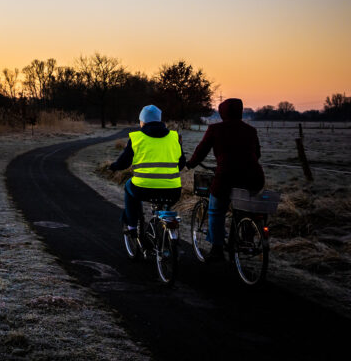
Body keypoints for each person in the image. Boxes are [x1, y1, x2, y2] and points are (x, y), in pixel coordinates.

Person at [186, 98, 264, 261]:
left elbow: (201, 150)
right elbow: (257, 154)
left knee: (215, 210)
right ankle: (246, 238)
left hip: (226, 176)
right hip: (254, 176)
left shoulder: (215, 129)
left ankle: (217, 249)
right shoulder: (250, 130)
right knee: (245, 208)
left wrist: (190, 164)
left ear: (222, 113)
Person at [110, 104, 186, 239]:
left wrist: (114, 166)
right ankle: (165, 234)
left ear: (143, 121)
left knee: (128, 186)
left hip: (143, 189)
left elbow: (124, 163)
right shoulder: (174, 137)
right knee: (165, 204)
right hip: (173, 190)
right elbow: (181, 164)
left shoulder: (136, 138)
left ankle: (132, 226)